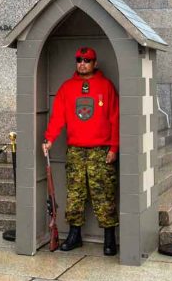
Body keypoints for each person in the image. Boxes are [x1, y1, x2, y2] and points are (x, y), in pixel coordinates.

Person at [42, 47, 119, 256]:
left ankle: (109, 238)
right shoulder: (67, 88)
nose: (82, 63)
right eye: (79, 60)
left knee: (104, 195)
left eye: (87, 60)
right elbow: (58, 117)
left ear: (95, 63)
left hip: (100, 150)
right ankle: (74, 235)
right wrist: (49, 139)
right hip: (76, 150)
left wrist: (114, 147)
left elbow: (115, 119)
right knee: (75, 194)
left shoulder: (106, 86)